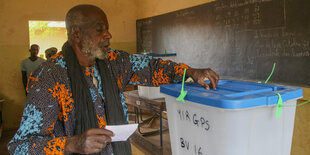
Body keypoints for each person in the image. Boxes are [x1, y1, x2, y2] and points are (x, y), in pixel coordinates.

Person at [8, 4, 219, 155]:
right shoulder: (49, 76)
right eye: (100, 29)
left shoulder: (113, 62)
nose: (108, 34)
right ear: (76, 34)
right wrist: (72, 144)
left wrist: (189, 72)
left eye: (107, 28)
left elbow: (153, 67)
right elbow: (21, 146)